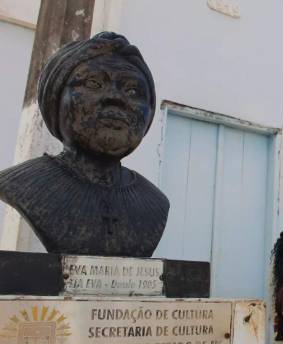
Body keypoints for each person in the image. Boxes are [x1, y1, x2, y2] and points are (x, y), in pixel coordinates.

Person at [0, 32, 168, 257]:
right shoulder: (19, 185)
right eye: (94, 83)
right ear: (56, 100)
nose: (116, 98)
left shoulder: (155, 202)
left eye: (133, 91)